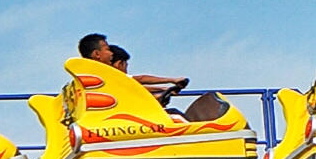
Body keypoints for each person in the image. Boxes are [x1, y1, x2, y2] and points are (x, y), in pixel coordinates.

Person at [78, 34, 228, 121]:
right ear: (97, 54)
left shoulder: (96, 76)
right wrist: (169, 83)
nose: (110, 53)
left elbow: (136, 87)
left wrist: (163, 90)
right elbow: (139, 81)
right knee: (176, 117)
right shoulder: (104, 75)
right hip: (127, 118)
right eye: (106, 49)